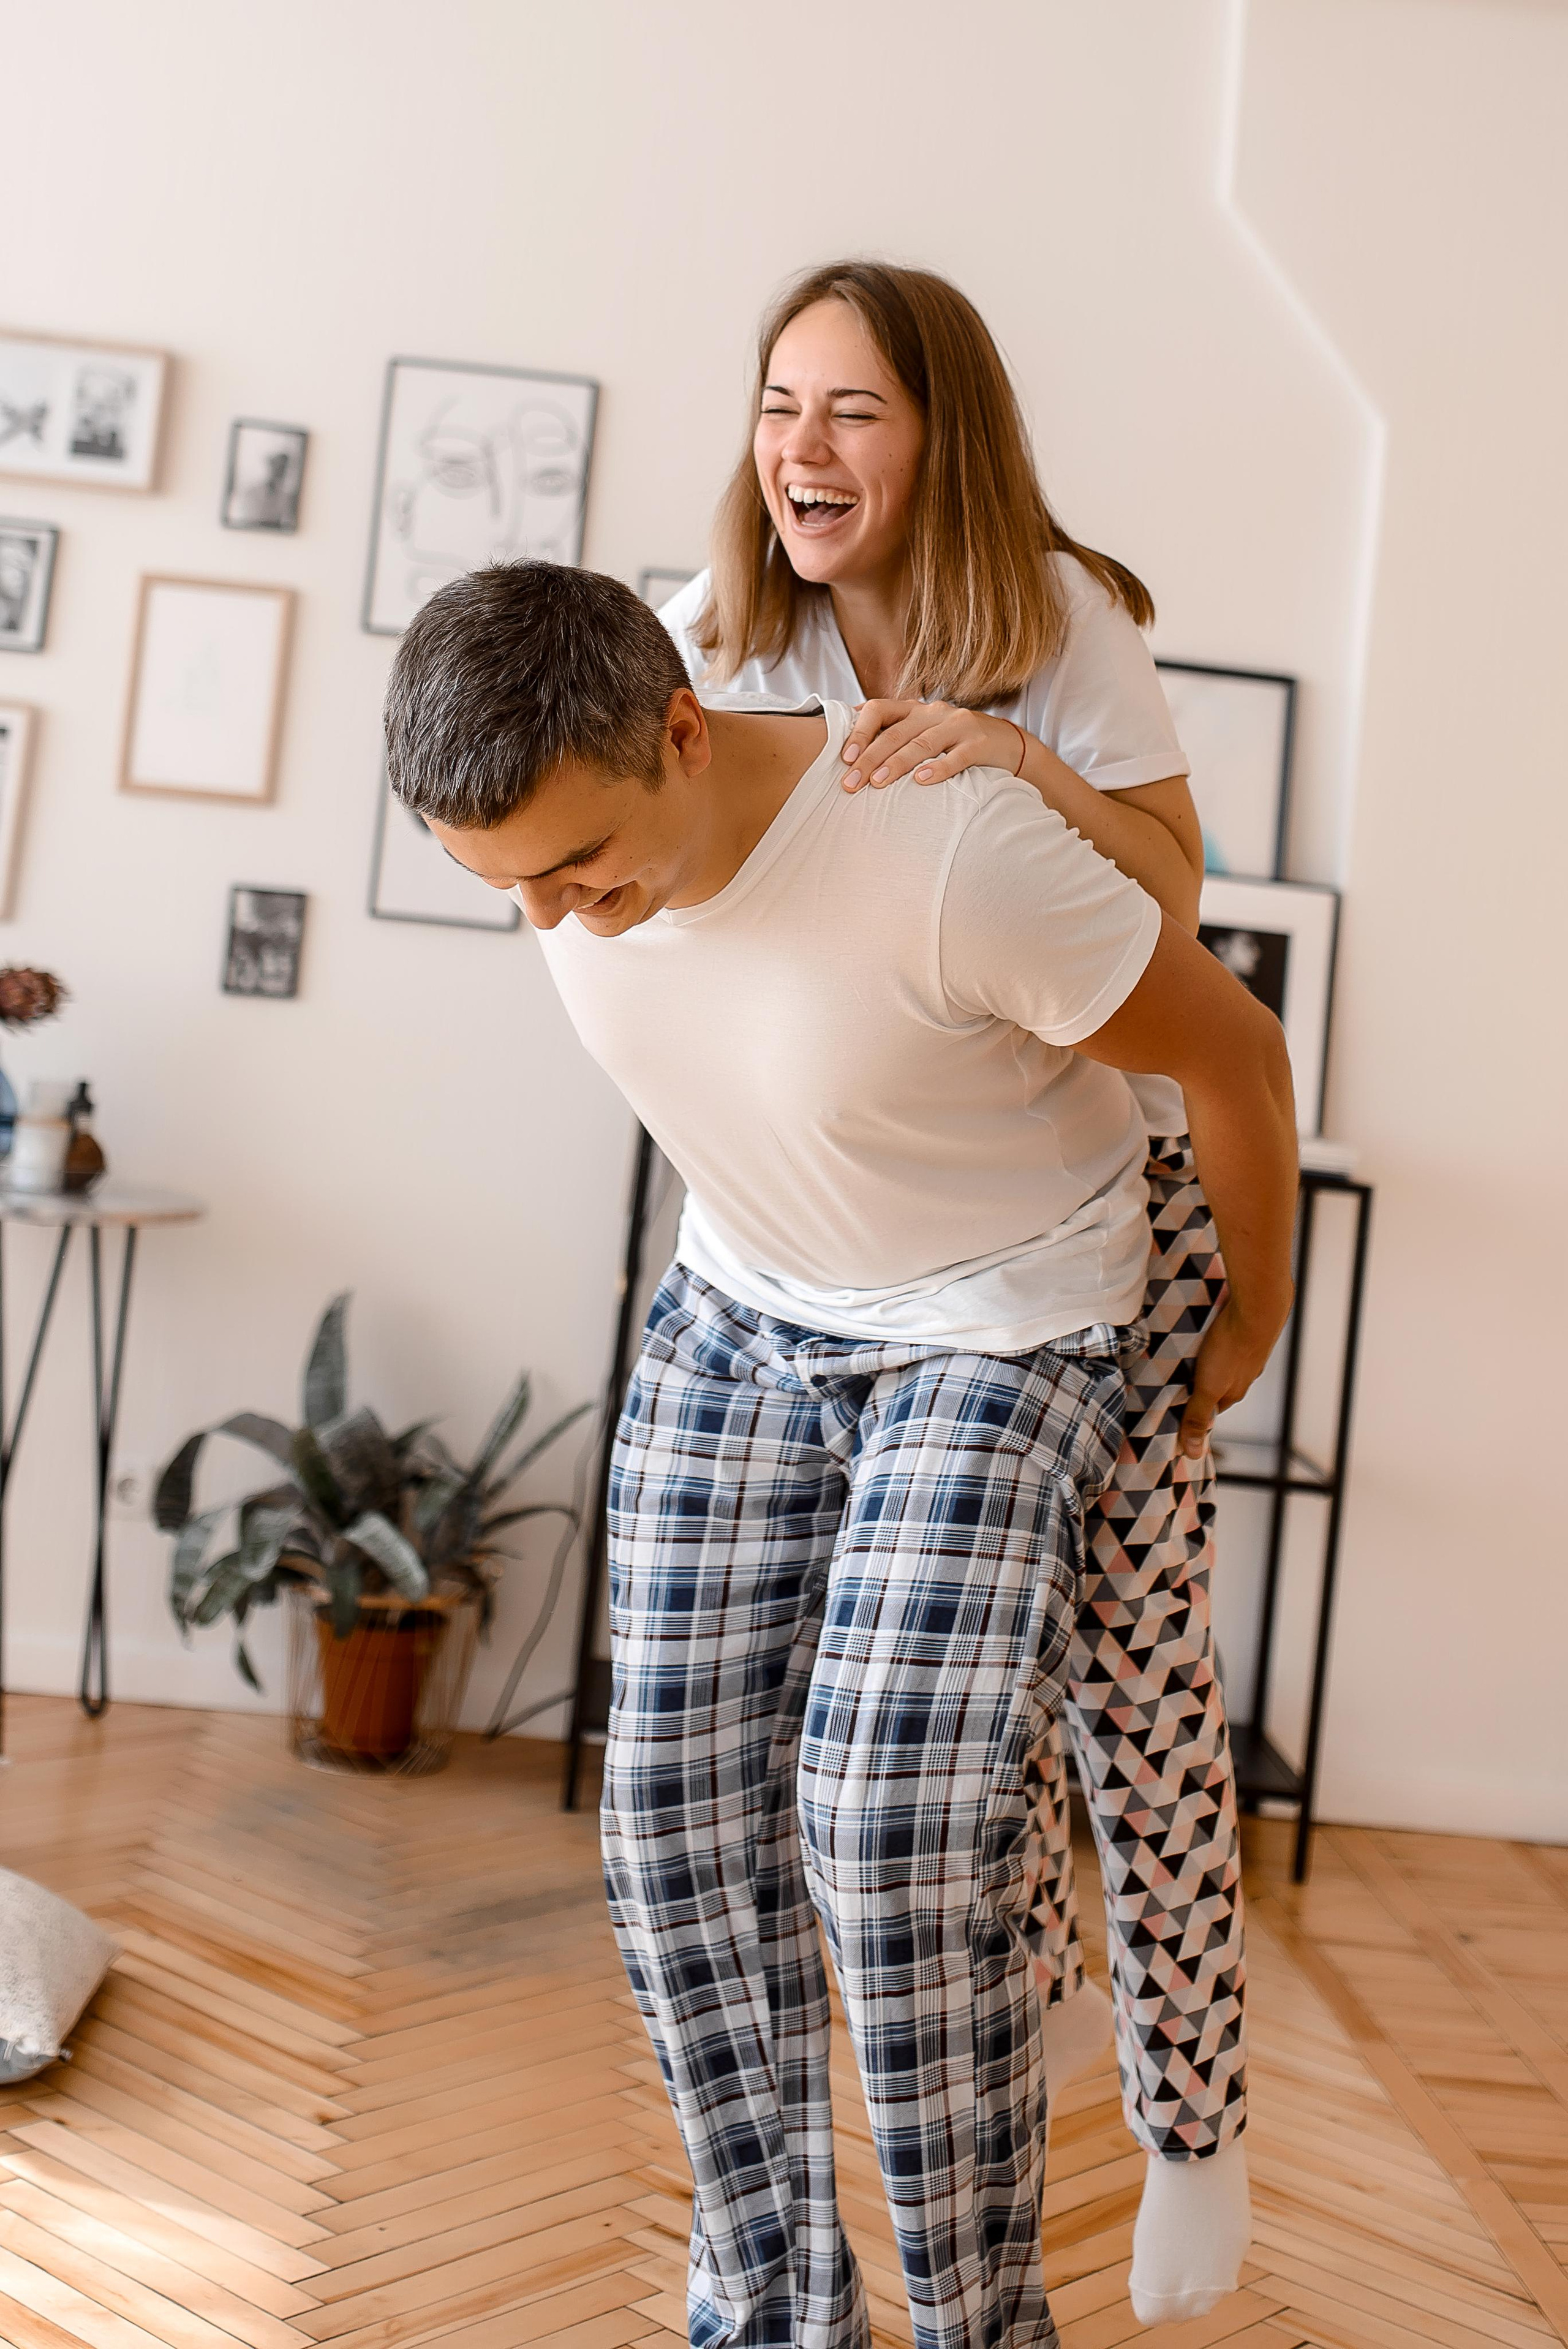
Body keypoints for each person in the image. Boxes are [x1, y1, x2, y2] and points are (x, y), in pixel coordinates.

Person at [384, 560, 1297, 2349]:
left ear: (680, 727)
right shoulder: (619, 712)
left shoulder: (943, 856)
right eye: (507, 889)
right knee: (667, 1830)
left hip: (1003, 1316)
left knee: (882, 1826)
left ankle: (976, 2323)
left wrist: (1249, 1320)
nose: (560, 917)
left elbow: (1241, 1056)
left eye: (580, 866)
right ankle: (784, 2310)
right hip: (743, 1298)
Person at [657, 259, 1253, 2326]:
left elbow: (1176, 909)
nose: (803, 450)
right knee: (915, 1752)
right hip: (821, 1256)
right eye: (780, 406)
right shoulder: (716, 643)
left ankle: (1201, 2122)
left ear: (943, 436)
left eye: (855, 413)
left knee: (1141, 1690)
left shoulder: (1060, 619)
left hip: (1088, 1227)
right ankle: (1029, 2017)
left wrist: (997, 763)